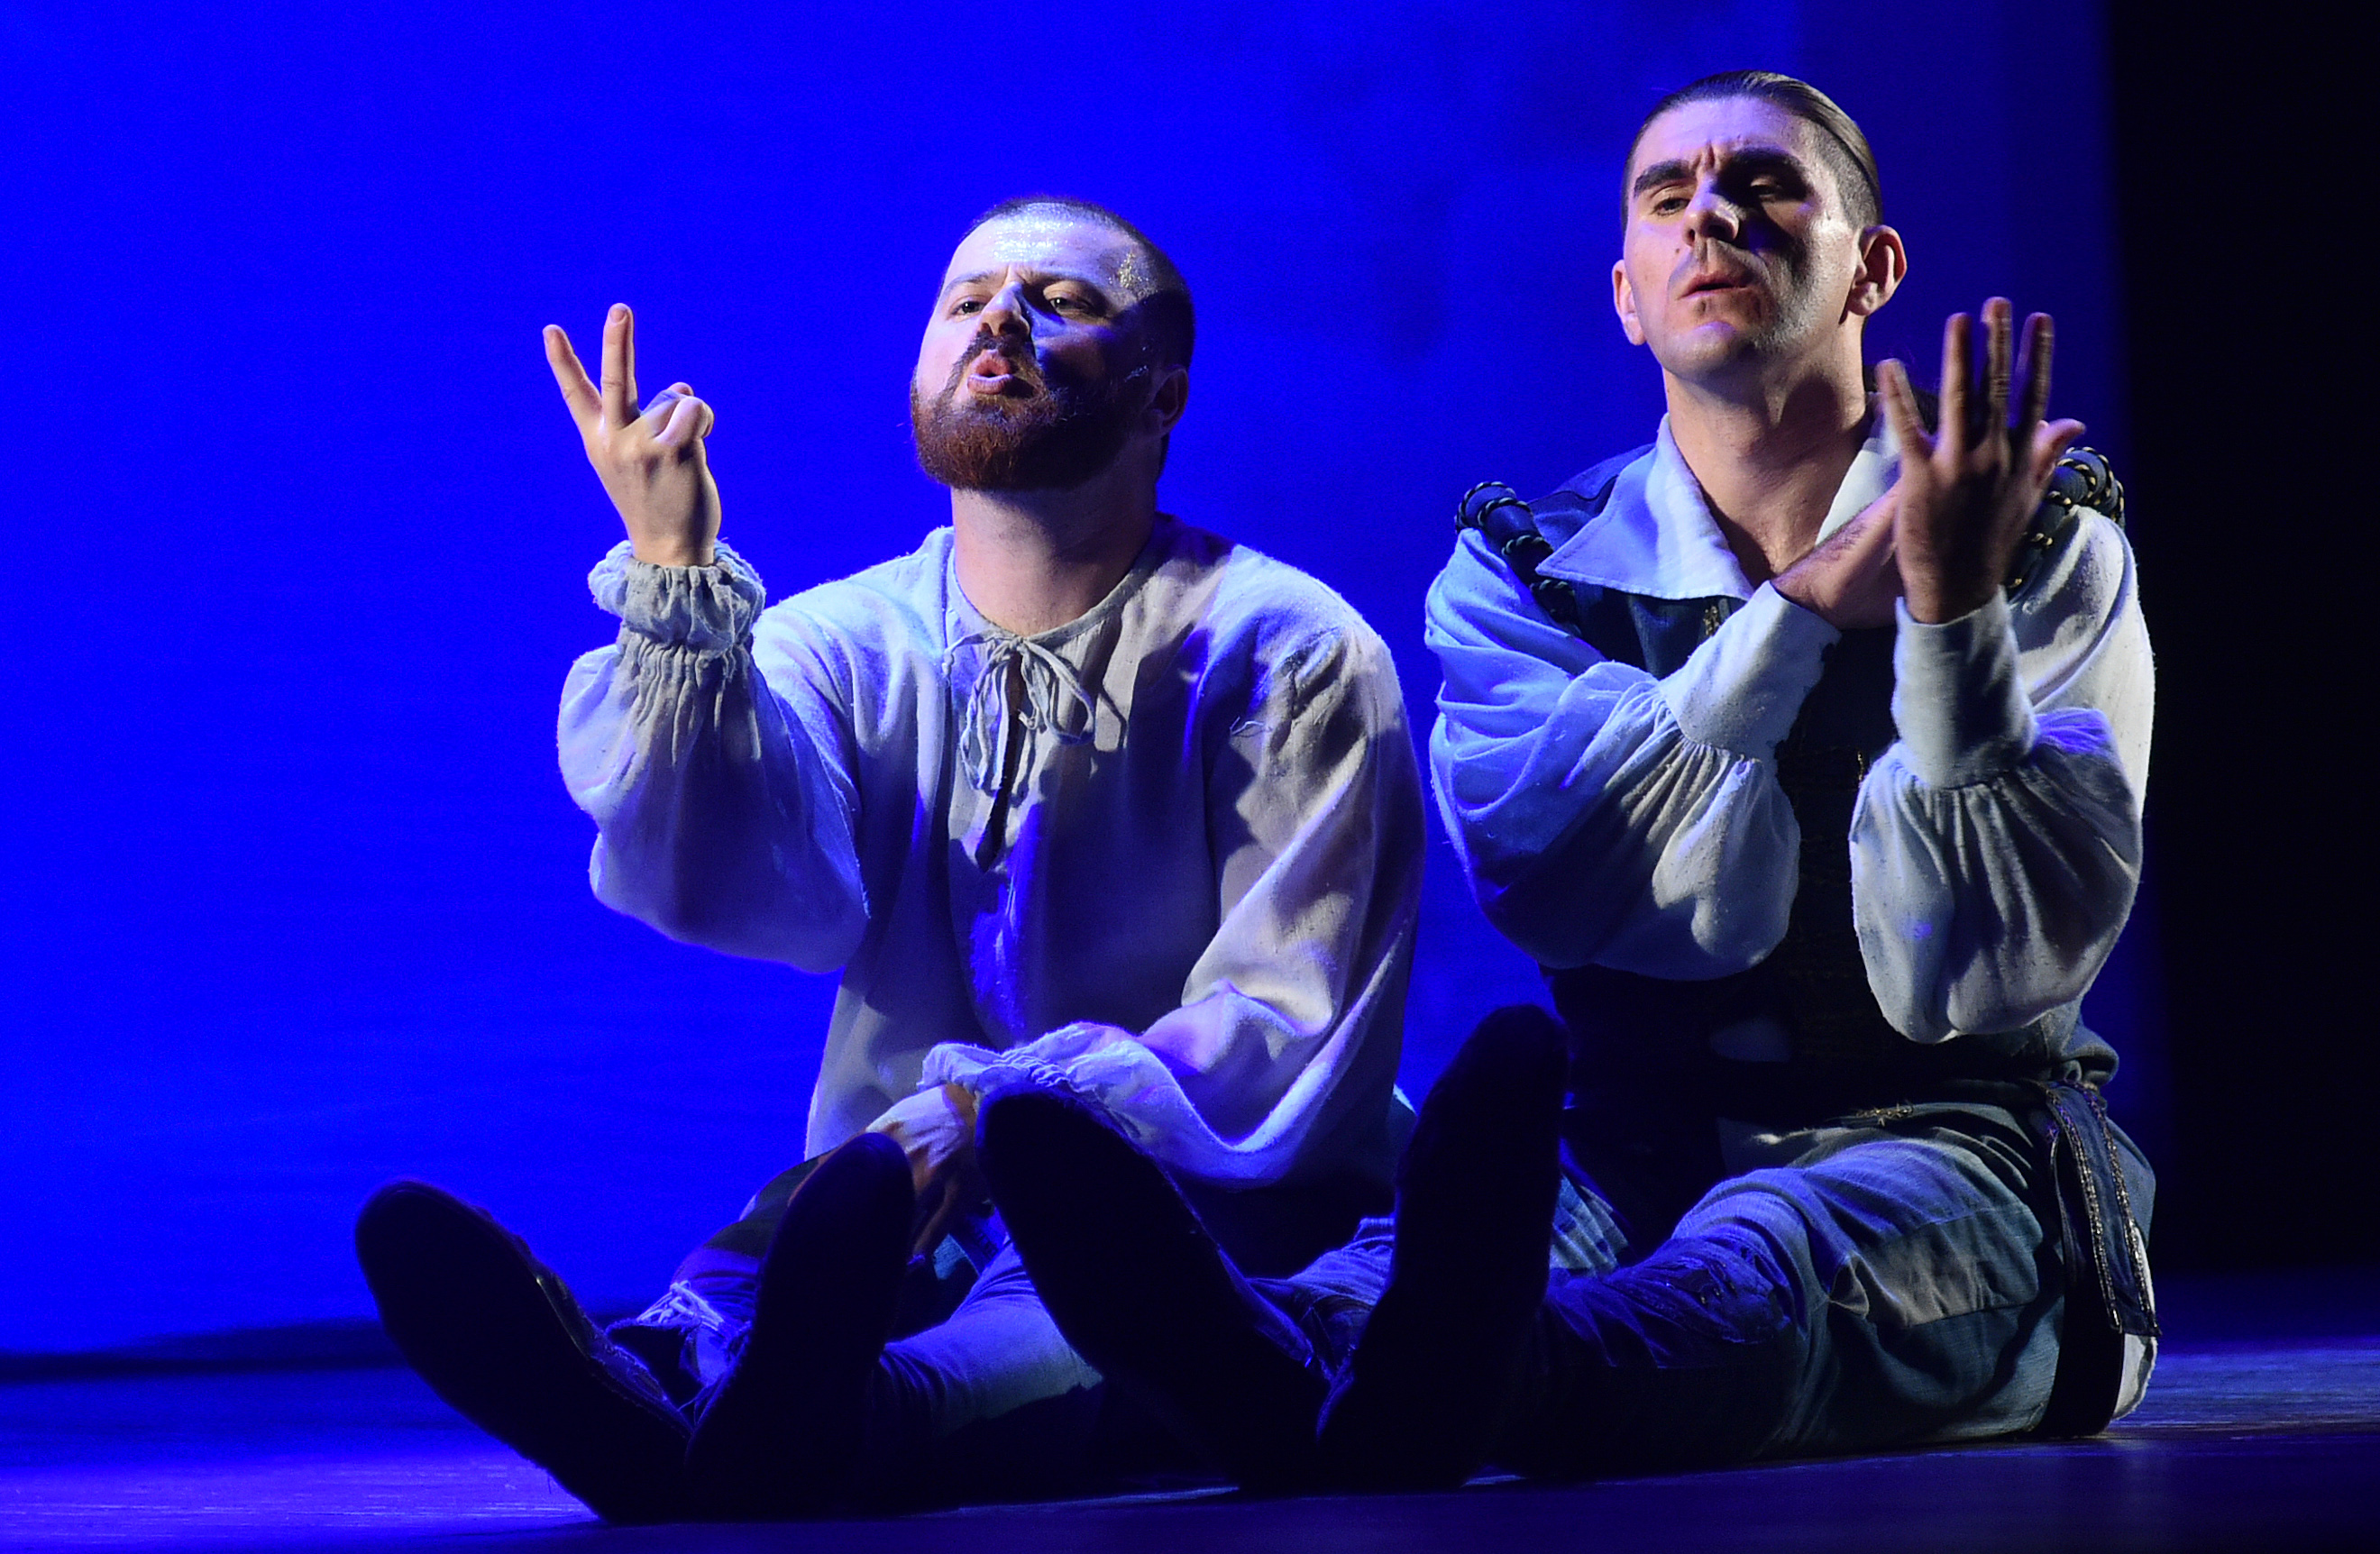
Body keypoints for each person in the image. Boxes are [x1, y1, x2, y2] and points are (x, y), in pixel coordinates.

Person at [979, 71, 2156, 1492]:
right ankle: (1267, 1359)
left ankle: (1461, 1384)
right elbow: (1572, 877)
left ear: (1874, 269)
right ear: (1627, 297)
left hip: (1958, 1149)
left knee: (1760, 1281)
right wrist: (1797, 615)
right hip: (1629, 1143)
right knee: (1381, 1286)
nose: (1711, 215)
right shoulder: (1527, 572)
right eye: (1669, 195)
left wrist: (1950, 617)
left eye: (1766, 186)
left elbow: (1991, 960)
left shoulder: (2041, 543)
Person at [353, 197, 1426, 1521]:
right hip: (896, 1198)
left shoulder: (1288, 650)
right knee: (764, 1270)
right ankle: (637, 1391)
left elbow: (1282, 1018)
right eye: (966, 298)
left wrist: (989, 1111)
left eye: (1063, 301)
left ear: (1163, 393)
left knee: (1052, 1297)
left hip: (1203, 1193)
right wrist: (672, 572)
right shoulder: (844, 642)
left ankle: (850, 1418)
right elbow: (726, 874)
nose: (1000, 319)